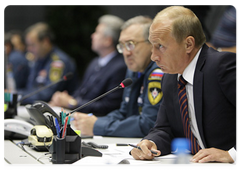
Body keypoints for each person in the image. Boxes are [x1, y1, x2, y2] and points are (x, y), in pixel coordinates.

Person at [130, 6, 237, 164]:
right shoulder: (170, 78)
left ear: (188, 44)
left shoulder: (221, 66)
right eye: (152, 46)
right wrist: (150, 143)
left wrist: (232, 154)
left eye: (160, 46)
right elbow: (165, 129)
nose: (153, 57)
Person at [73, 16, 164, 138]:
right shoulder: (133, 70)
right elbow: (124, 113)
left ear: (151, 44)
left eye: (131, 44)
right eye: (122, 46)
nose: (126, 52)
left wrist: (97, 126)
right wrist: (92, 121)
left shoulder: (158, 72)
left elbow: (149, 124)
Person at [49, 15, 127, 116]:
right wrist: (63, 99)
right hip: (79, 115)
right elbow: (82, 92)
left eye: (97, 32)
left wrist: (72, 103)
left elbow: (108, 107)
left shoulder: (120, 67)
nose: (92, 36)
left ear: (108, 41)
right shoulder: (94, 62)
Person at [18, 22, 80, 105]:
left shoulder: (58, 62)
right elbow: (31, 88)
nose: (29, 49)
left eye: (32, 45)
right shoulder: (39, 59)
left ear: (45, 42)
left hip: (60, 111)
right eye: (28, 45)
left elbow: (47, 94)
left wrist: (18, 96)